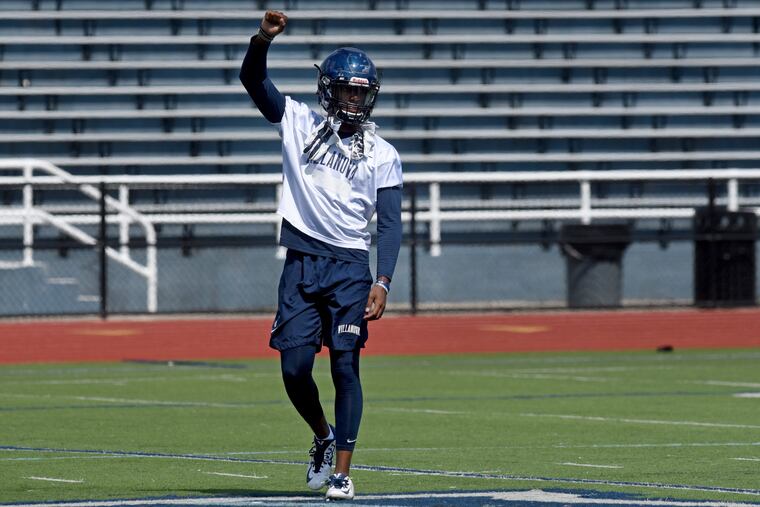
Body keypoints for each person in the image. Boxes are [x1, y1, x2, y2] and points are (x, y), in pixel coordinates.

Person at [239, 10, 403, 501]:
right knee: (293, 369)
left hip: (351, 267)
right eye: (347, 89)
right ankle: (324, 436)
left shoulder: (383, 153)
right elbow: (252, 78)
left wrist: (384, 280)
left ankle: (343, 473)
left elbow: (390, 223)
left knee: (345, 365)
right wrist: (263, 39)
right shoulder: (297, 120)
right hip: (302, 260)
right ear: (329, 89)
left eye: (361, 90)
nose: (354, 98)